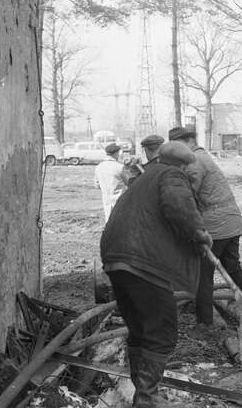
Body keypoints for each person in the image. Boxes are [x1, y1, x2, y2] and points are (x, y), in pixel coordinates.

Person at [100, 141, 212, 407]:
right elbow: (179, 208)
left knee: (140, 329)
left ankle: (143, 395)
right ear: (183, 165)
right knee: (162, 331)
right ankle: (148, 398)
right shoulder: (172, 175)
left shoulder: (145, 176)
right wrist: (200, 233)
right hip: (142, 260)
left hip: (116, 258)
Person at [169, 126, 242, 326]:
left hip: (217, 222)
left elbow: (188, 193)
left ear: (189, 142)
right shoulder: (202, 156)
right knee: (233, 267)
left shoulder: (194, 161)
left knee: (203, 274)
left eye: (178, 146)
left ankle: (205, 323)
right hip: (230, 220)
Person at [94, 143, 127, 222]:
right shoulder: (119, 167)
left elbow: (97, 185)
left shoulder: (99, 167)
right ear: (116, 153)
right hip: (120, 201)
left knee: (109, 221)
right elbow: (129, 182)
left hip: (106, 200)